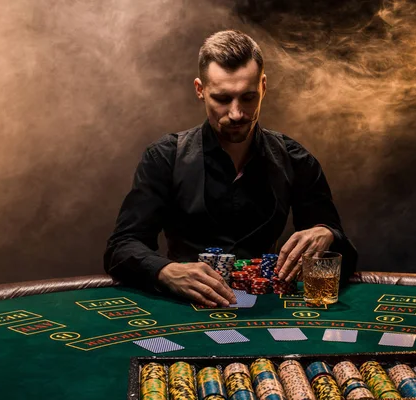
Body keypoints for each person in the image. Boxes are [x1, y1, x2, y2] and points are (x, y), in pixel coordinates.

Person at [104, 30, 357, 308]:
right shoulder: (165, 157)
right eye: (222, 99)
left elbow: (341, 255)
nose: (236, 113)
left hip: (268, 310)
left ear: (263, 86)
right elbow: (121, 247)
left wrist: (327, 234)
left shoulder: (296, 159)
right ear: (200, 90)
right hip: (183, 311)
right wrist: (165, 271)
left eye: (248, 97)